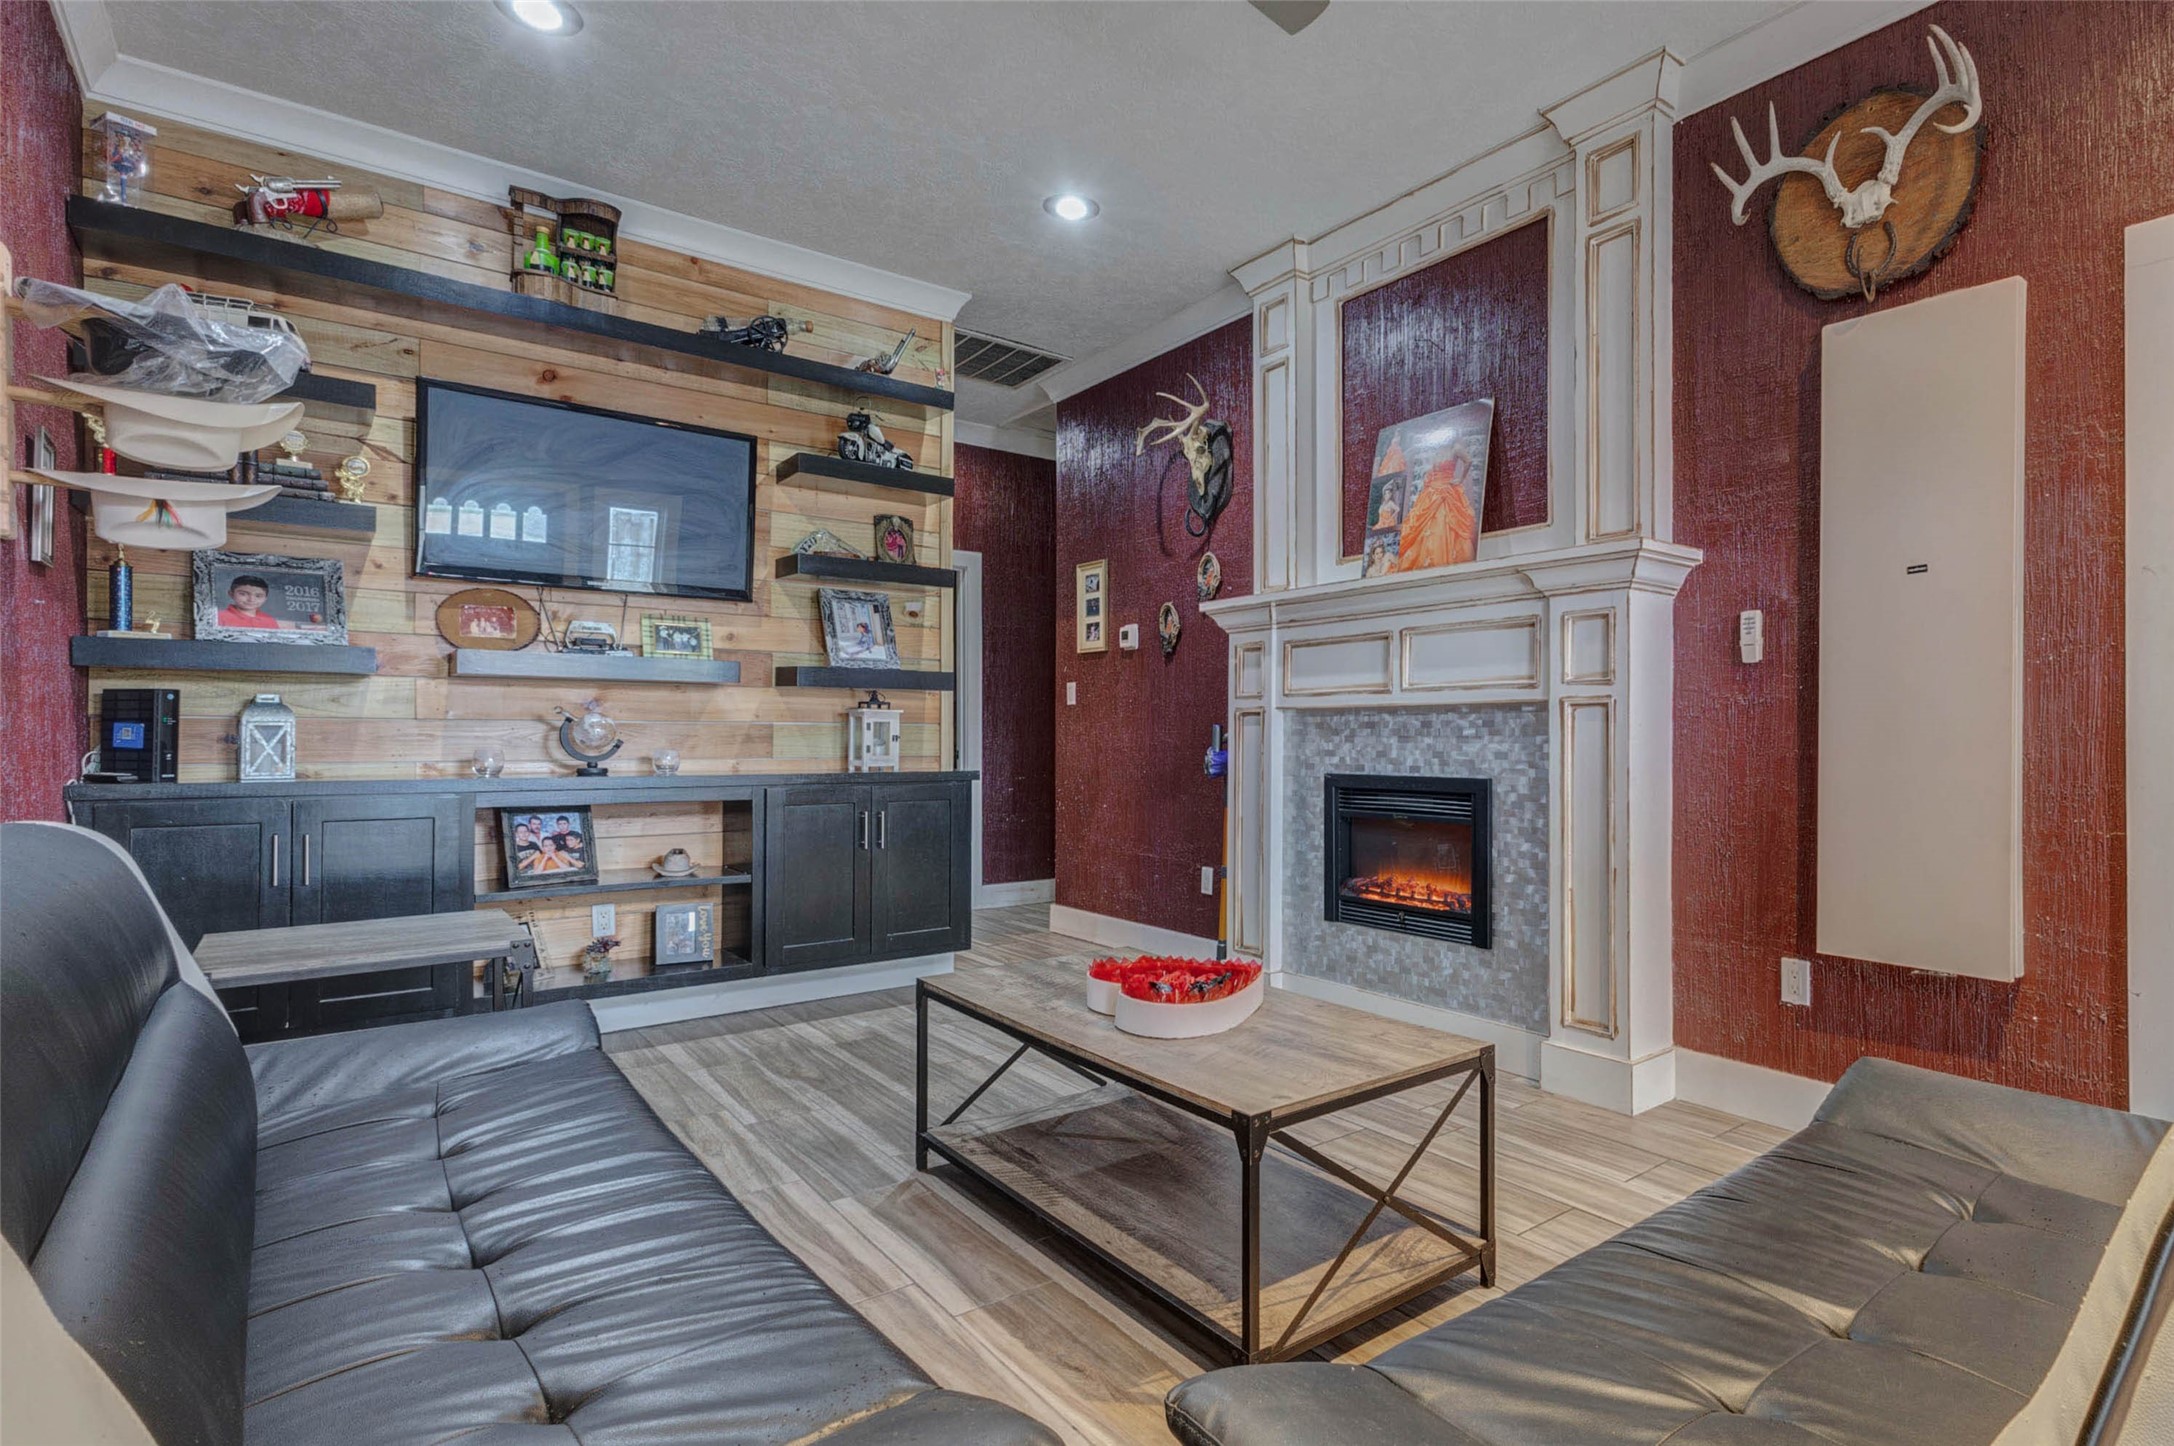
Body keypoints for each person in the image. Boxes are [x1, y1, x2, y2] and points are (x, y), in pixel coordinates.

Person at [1393, 447, 1479, 573]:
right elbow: (1433, 471)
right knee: (1424, 525)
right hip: (1432, 491)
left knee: (1444, 523)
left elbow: (1469, 460)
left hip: (1447, 490)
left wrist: (1461, 479)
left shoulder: (1455, 448)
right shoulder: (1437, 450)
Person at [217, 574, 296, 630]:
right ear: (231, 594)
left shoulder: (269, 620)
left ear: (265, 598)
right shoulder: (220, 617)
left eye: (258, 596)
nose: (251, 599)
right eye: (243, 594)